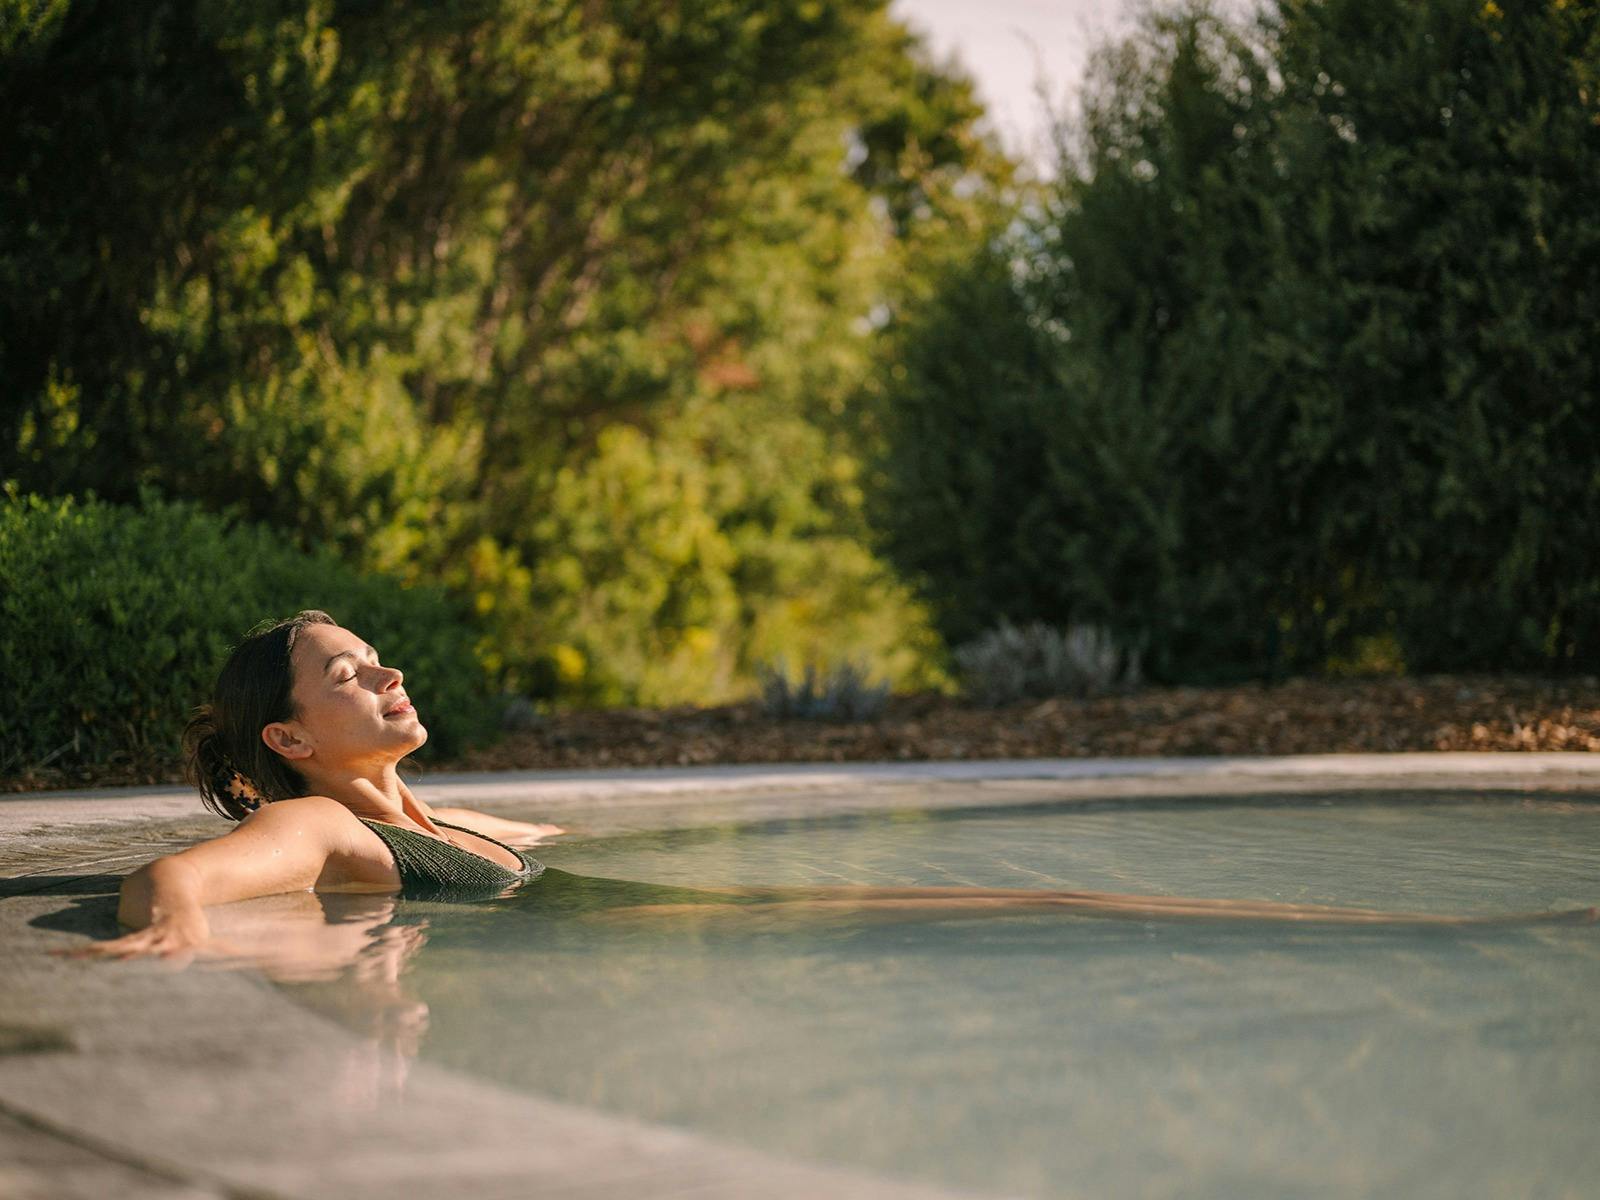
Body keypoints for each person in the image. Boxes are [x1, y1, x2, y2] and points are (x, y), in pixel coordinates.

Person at [71, 611, 1595, 963]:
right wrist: (168, 932)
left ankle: (1388, 935)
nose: (387, 677)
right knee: (1046, 904)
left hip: (685, 918)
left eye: (382, 658)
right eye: (348, 675)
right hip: (697, 940)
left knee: (1042, 902)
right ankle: (1421, 940)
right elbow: (188, 880)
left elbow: (535, 840)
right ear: (288, 739)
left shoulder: (425, 817)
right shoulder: (325, 819)